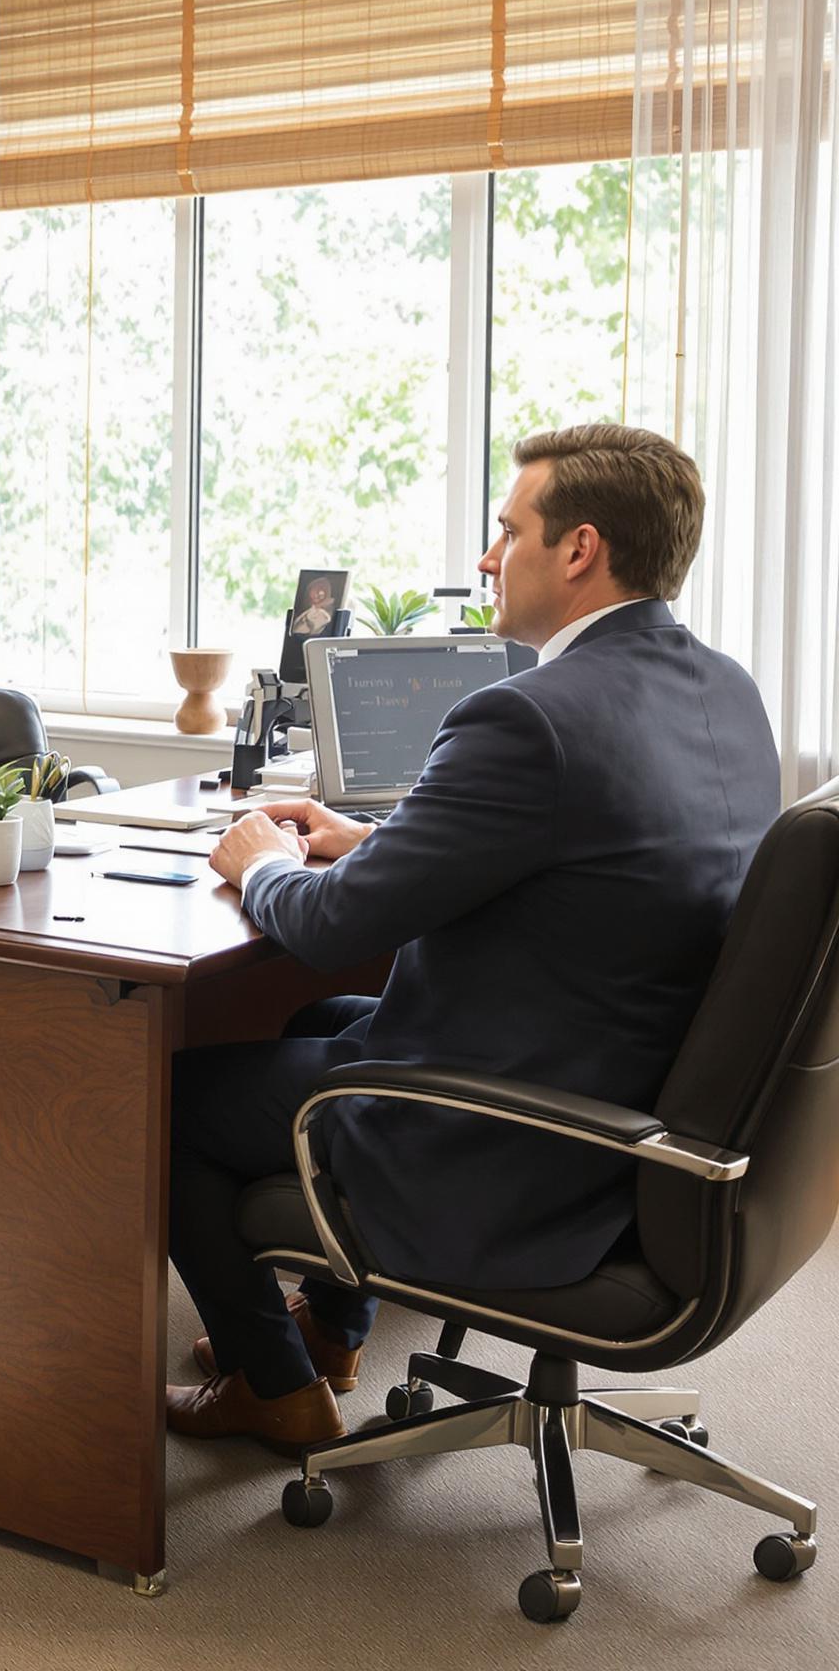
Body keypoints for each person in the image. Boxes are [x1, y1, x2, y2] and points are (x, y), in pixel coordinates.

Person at [176, 424, 778, 1448]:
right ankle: (331, 1329)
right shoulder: (722, 689)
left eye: (506, 530)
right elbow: (596, 858)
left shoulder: (528, 715)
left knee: (166, 1094)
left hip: (520, 1140)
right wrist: (375, 838)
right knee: (324, 1017)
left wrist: (256, 859)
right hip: (632, 1088)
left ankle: (272, 1386)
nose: (487, 557)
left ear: (578, 548)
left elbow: (328, 925)